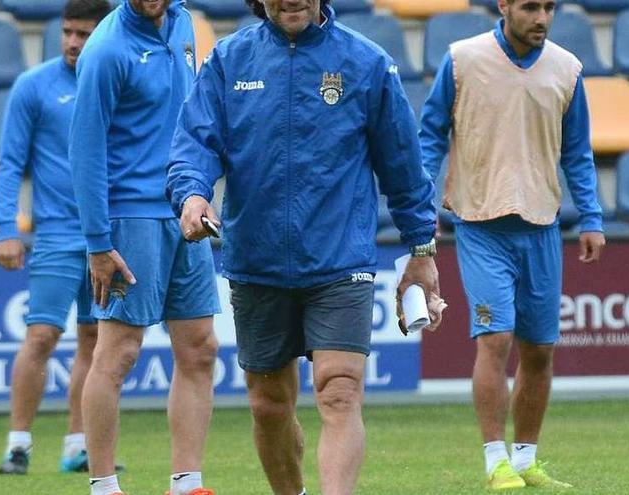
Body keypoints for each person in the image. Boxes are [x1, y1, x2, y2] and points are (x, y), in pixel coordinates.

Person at [165, 0, 441, 493]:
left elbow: (403, 165)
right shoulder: (229, 60)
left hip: (341, 260)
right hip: (257, 260)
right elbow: (195, 143)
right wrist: (192, 194)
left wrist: (421, 252)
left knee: (339, 390)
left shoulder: (368, 63)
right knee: (268, 407)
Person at [420, 0, 606, 490]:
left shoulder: (567, 69)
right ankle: (493, 460)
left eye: (549, 7)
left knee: (540, 350)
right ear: (504, 6)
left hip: (542, 224)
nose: (541, 17)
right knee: (495, 339)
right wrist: (420, 205)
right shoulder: (463, 59)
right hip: (480, 223)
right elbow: (431, 136)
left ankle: (525, 460)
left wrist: (591, 215)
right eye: (529, 7)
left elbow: (578, 150)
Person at [68, 1, 220, 494]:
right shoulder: (107, 49)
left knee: (199, 348)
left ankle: (187, 483)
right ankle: (104, 485)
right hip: (130, 214)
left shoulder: (183, 24)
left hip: (185, 206)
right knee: (118, 352)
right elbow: (85, 148)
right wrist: (97, 242)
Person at [0, 0, 113, 476]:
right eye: (67, 32)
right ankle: (18, 444)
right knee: (41, 335)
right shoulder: (33, 86)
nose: (72, 43)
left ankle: (76, 445)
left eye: (84, 34)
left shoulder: (114, 84)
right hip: (58, 235)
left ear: (103, 36)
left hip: (108, 234)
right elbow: (10, 164)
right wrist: (7, 228)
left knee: (93, 339)